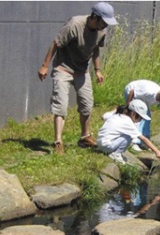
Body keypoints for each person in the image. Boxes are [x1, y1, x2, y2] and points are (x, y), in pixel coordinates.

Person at [37, 2, 117, 155]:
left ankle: (85, 137)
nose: (106, 25)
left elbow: (95, 50)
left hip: (82, 70)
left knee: (87, 104)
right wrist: (45, 66)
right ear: (95, 17)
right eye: (104, 21)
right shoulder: (75, 24)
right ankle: (58, 141)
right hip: (63, 68)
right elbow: (56, 43)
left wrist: (98, 70)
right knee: (61, 105)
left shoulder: (102, 31)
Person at [96, 100, 160, 164]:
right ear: (133, 114)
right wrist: (157, 151)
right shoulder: (128, 122)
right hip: (106, 146)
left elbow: (103, 116)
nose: (140, 120)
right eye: (140, 117)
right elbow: (143, 139)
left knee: (126, 134)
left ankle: (112, 151)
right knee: (129, 136)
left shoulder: (117, 114)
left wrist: (116, 109)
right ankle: (116, 154)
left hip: (99, 143)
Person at [123, 80, 160, 145]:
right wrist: (128, 107)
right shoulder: (149, 91)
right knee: (138, 117)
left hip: (142, 98)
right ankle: (134, 142)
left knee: (147, 117)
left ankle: (143, 141)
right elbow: (132, 92)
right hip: (131, 92)